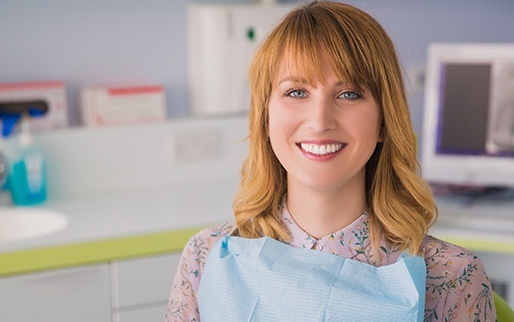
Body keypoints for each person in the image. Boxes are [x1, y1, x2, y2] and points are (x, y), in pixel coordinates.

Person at [166, 1, 496, 321]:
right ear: (265, 118)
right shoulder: (205, 257)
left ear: (383, 121)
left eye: (349, 93)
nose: (320, 120)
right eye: (296, 92)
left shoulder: (450, 278)